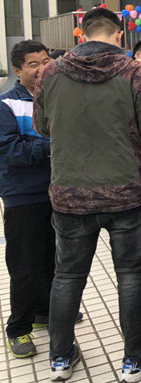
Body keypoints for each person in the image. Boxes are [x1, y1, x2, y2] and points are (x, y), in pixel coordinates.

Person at [33, 8, 141, 382]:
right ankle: (135, 359)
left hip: (70, 193)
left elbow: (42, 127)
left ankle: (60, 358)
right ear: (119, 34)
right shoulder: (137, 72)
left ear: (81, 33)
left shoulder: (49, 73)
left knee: (67, 275)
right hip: (127, 193)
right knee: (131, 273)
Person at [1, 41, 66, 359]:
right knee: (25, 265)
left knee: (51, 258)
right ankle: (18, 329)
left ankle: (44, 312)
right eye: (33, 64)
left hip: (55, 191)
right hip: (22, 195)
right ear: (17, 70)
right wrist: (52, 145)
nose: (42, 69)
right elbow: (10, 151)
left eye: (45, 61)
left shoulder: (55, 97)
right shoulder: (7, 104)